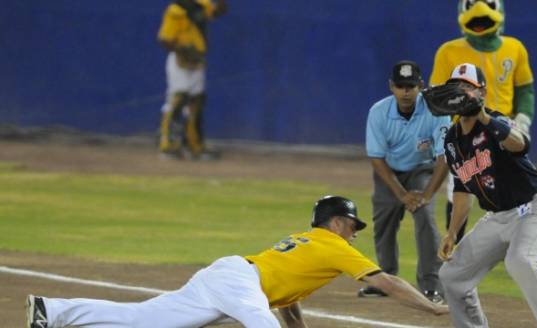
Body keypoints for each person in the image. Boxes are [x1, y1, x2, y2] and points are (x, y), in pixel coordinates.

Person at [26, 195, 449, 328]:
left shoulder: (309, 241)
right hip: (237, 282)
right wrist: (431, 307)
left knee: (142, 319)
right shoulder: (332, 244)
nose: (355, 232)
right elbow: (386, 282)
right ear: (336, 222)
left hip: (230, 276)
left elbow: (287, 294)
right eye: (351, 224)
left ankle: (53, 311)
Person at [425, 63, 537, 327]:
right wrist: (451, 233)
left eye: (467, 87)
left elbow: (521, 144)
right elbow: (462, 189)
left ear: (481, 92)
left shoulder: (498, 121)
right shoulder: (451, 140)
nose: (460, 92)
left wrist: (483, 117)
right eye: (455, 87)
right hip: (499, 218)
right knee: (452, 275)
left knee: (521, 261)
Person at [430, 0, 536, 244]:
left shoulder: (515, 48)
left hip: (504, 129)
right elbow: (439, 96)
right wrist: (445, 134)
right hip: (466, 131)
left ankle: (522, 244)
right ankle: (455, 249)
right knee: (459, 189)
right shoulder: (448, 51)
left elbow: (525, 90)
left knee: (517, 188)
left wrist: (523, 119)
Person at [360, 60, 451, 303]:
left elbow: (444, 157)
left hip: (423, 169)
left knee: (426, 219)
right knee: (383, 223)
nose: (406, 91)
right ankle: (386, 281)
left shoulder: (436, 111)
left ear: (421, 85)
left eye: (411, 86)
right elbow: (377, 158)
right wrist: (401, 195)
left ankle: (431, 286)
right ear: (391, 86)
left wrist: (427, 194)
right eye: (400, 86)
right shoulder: (378, 112)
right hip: (389, 171)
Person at [157, 0, 227, 160]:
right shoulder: (176, 9)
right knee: (178, 100)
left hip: (196, 61)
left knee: (197, 102)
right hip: (179, 61)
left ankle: (194, 145)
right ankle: (167, 145)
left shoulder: (202, 4)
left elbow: (219, 11)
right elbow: (165, 39)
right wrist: (182, 50)